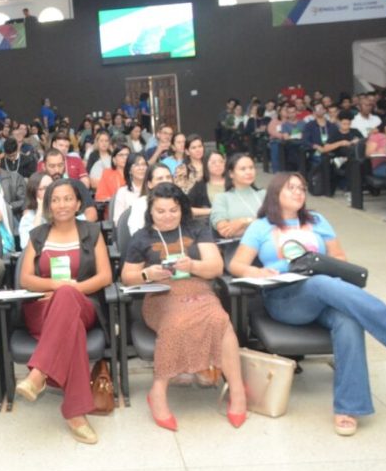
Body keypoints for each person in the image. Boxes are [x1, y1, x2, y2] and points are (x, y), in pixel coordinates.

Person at [229, 173, 386, 436]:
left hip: (324, 296)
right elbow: (236, 265)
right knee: (319, 283)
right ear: (275, 192)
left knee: (348, 319)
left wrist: (326, 265)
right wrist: (260, 272)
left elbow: (339, 257)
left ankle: (349, 406)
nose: (299, 193)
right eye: (291, 188)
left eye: (302, 188)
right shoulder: (261, 226)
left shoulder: (318, 221)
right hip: (285, 299)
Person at [121, 183, 246, 431]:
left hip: (198, 290)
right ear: (151, 212)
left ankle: (238, 389)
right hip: (161, 296)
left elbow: (215, 267)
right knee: (177, 322)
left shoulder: (196, 229)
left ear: (182, 209)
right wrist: (147, 274)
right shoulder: (142, 237)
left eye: (173, 210)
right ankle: (158, 391)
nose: (167, 216)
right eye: (161, 211)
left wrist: (193, 267)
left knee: (221, 320)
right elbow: (127, 276)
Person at [15, 179, 113, 444]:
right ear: (48, 205)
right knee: (73, 331)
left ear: (78, 202)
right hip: (42, 310)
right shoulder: (38, 235)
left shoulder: (92, 232)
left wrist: (72, 289)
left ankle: (39, 373)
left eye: (68, 198)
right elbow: (26, 279)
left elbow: (105, 276)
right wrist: (56, 286)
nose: (62, 204)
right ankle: (75, 414)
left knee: (68, 299)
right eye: (55, 199)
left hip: (83, 304)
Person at [210, 154, 265, 239]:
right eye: (243, 169)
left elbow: (276, 221)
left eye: (251, 168)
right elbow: (224, 230)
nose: (248, 172)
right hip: (238, 247)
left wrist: (244, 222)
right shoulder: (222, 198)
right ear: (231, 173)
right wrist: (263, 223)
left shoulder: (264, 194)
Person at [41, 149, 98, 222]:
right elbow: (27, 214)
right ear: (44, 166)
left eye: (60, 165)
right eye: (52, 166)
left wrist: (72, 228)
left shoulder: (76, 184)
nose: (57, 170)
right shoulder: (39, 187)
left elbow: (92, 213)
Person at [126, 163, 174, 236]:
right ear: (149, 184)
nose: (165, 181)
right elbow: (136, 234)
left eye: (168, 177)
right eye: (160, 178)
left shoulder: (178, 200)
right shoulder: (140, 204)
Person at [187, 151, 227, 218]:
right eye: (213, 162)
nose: (218, 164)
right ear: (206, 165)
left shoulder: (234, 182)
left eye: (221, 161)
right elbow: (186, 209)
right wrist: (211, 211)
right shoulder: (200, 186)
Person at [111, 153, 148, 223]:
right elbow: (117, 220)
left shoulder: (153, 189)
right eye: (137, 165)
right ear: (129, 170)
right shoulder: (122, 192)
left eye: (144, 164)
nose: (141, 168)